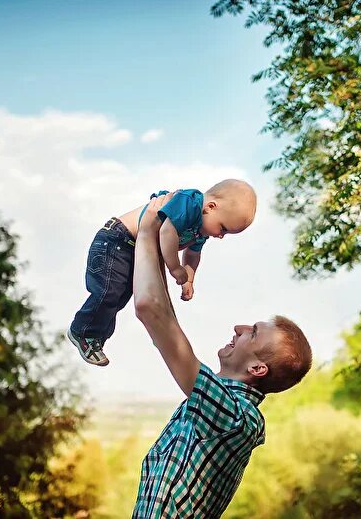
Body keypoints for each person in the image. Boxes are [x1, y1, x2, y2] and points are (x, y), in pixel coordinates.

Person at [131, 193, 313, 518]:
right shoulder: (219, 407)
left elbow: (151, 311)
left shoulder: (236, 417)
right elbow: (165, 322)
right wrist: (162, 249)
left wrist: (146, 231)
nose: (239, 328)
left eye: (252, 332)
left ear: (257, 368)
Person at [67, 179, 257, 366]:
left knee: (120, 297)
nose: (221, 236)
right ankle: (83, 331)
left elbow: (193, 254)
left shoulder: (201, 230)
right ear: (211, 207)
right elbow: (167, 232)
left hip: (132, 249)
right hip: (116, 240)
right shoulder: (189, 203)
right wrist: (174, 267)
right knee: (109, 292)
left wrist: (189, 280)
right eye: (223, 228)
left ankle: (95, 337)